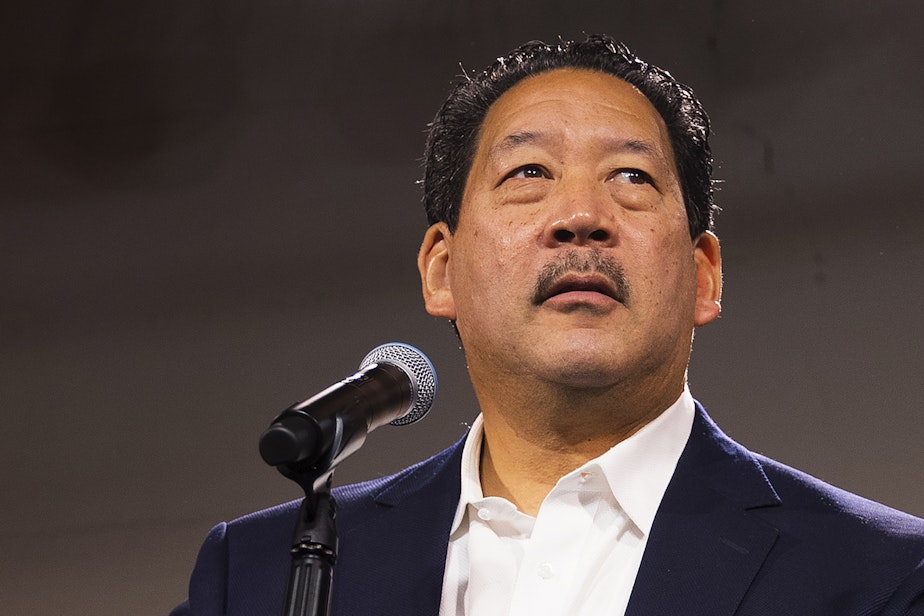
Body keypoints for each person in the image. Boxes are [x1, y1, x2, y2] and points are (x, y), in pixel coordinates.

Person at [171, 34, 924, 615]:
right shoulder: (264, 574)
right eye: (528, 174)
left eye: (631, 178)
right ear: (441, 269)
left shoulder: (879, 575)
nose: (581, 218)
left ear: (704, 275)